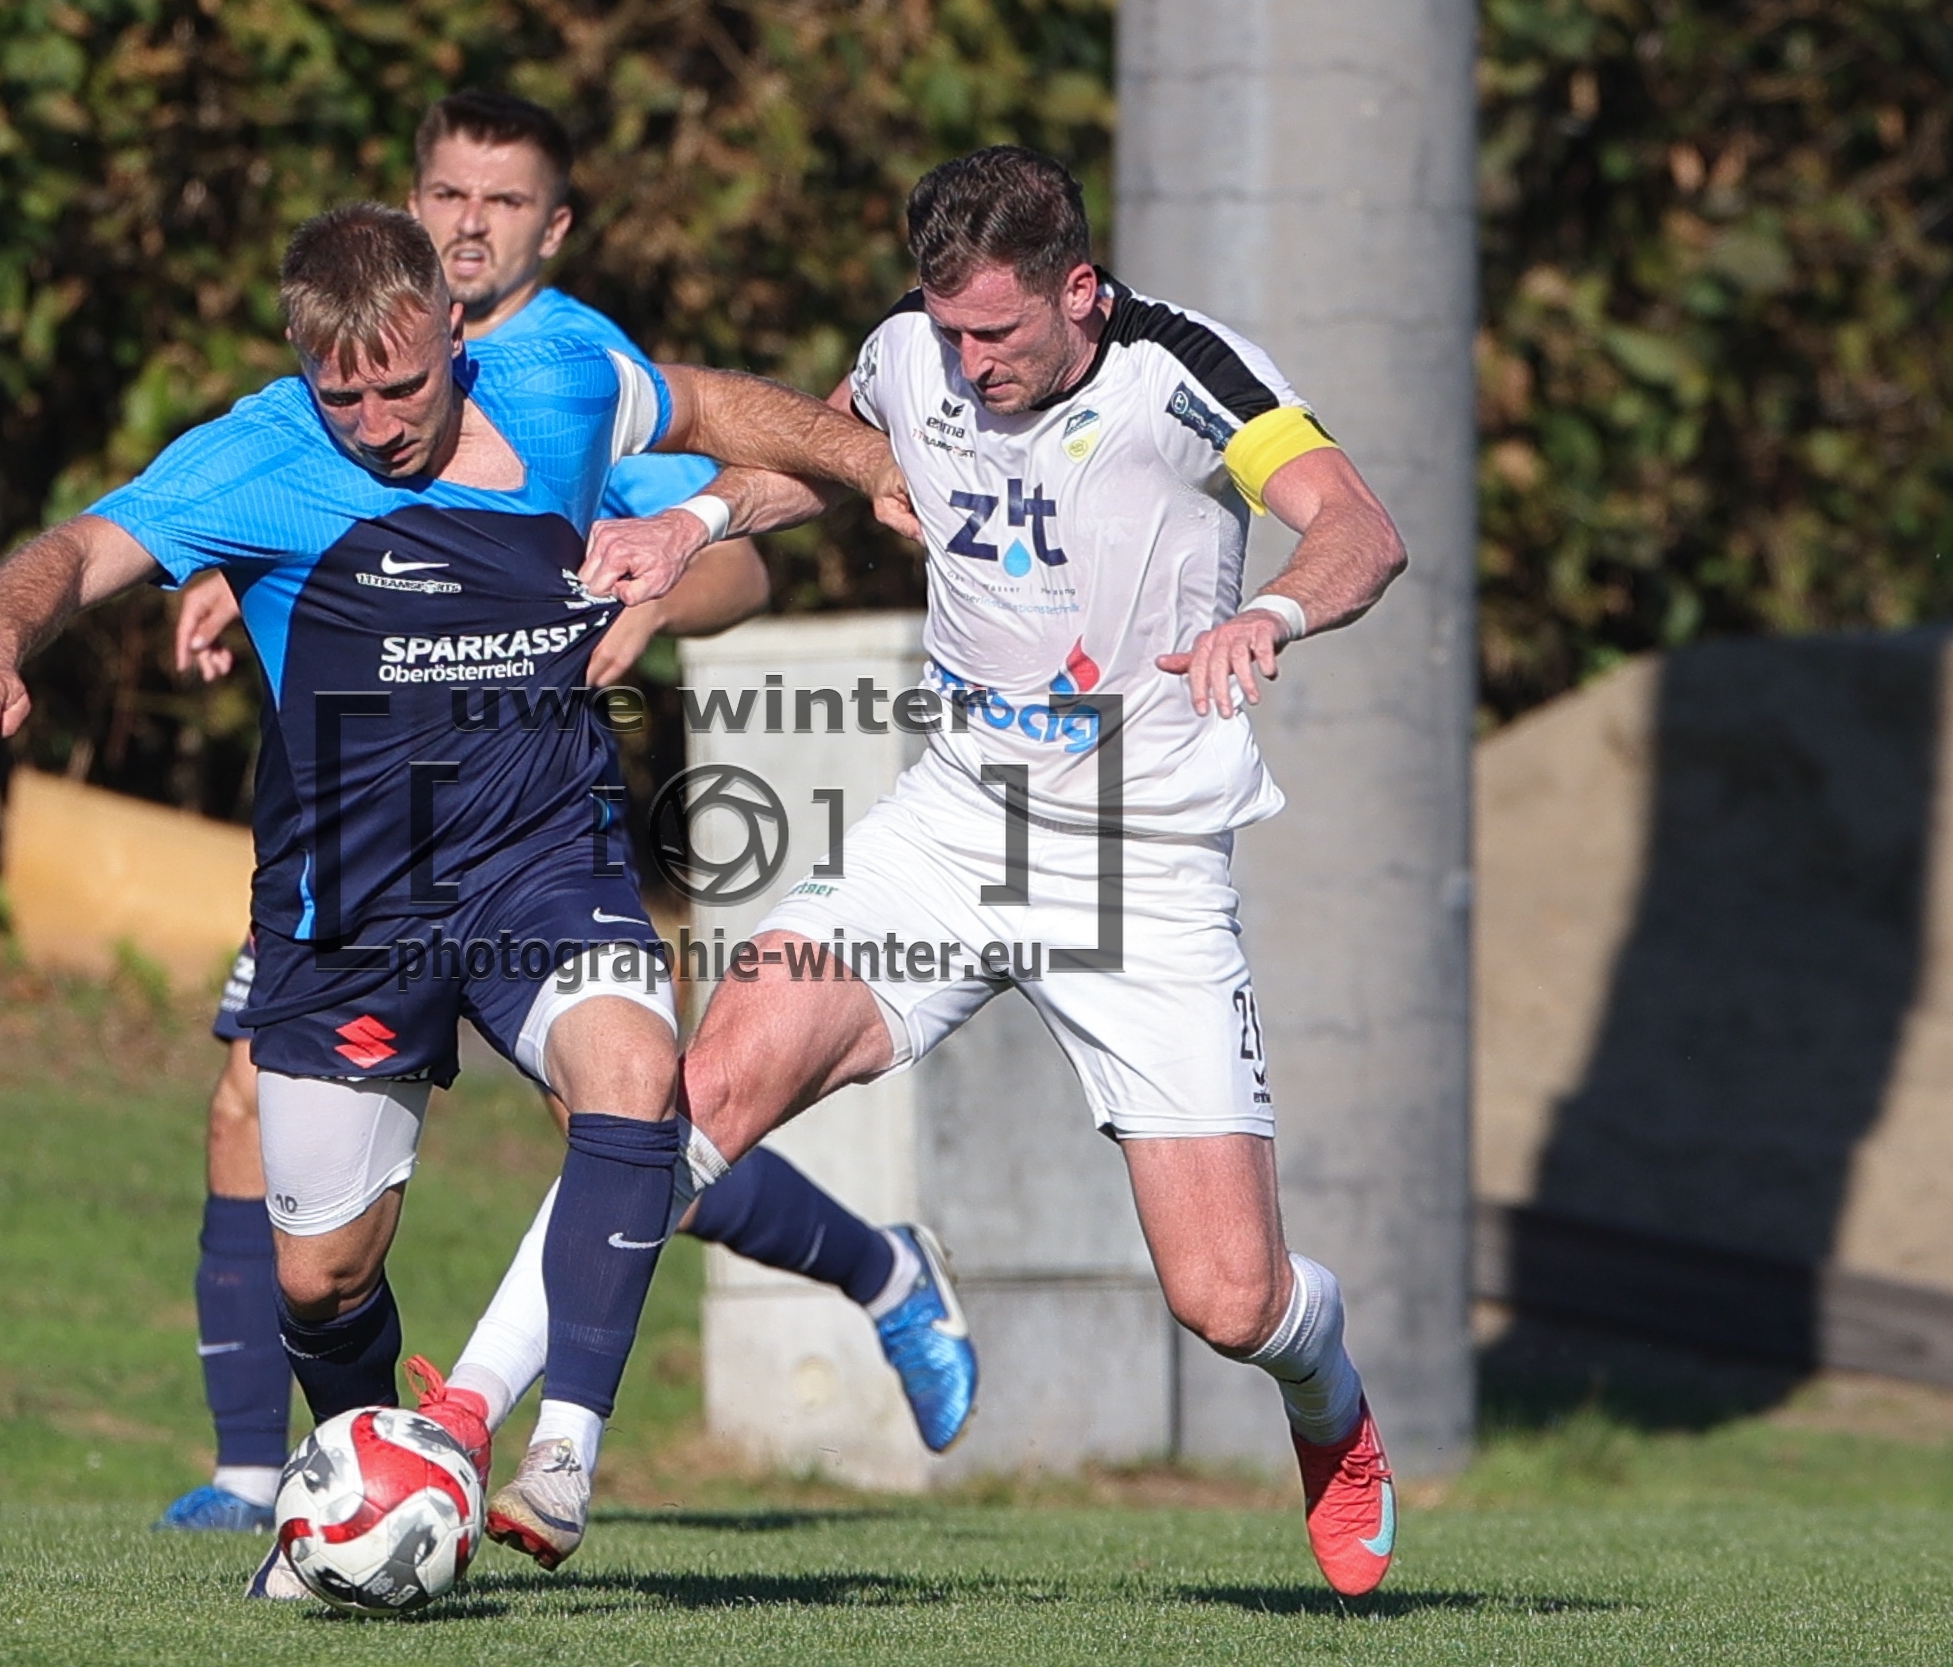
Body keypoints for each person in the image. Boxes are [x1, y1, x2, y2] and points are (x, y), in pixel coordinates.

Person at [0, 200, 910, 1595]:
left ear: (454, 327)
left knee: (635, 1077)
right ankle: (371, 1487)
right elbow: (72, 554)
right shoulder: (258, 460)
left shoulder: (557, 384)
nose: (377, 424)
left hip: (541, 861)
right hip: (352, 916)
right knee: (320, 1278)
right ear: (300, 364)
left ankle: (561, 1456)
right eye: (344, 398)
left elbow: (708, 403)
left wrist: (874, 463)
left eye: (403, 386)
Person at [499, 146, 1412, 1595]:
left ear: (1079, 290)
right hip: (952, 831)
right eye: (949, 329)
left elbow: (1359, 527)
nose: (971, 363)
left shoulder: (1186, 374)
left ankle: (1333, 1405)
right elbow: (821, 458)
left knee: (1230, 1302)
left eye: (998, 331)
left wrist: (1276, 616)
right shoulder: (909, 354)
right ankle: (474, 1425)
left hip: (1143, 870)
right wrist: (692, 519)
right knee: (692, 1098)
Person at [150, 92, 982, 1540]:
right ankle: (261, 1475)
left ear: (555, 227)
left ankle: (877, 1268)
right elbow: (291, 505)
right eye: (446, 196)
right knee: (253, 1105)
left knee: (632, 1125)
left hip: (518, 816)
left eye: (504, 201)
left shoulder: (565, 374)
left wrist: (649, 591)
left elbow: (738, 558)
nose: (469, 223)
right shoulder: (361, 365)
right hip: (351, 834)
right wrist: (236, 570)